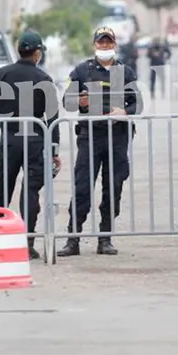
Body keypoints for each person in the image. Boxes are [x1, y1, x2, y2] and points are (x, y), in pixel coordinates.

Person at [57, 27, 140, 257]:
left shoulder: (125, 72)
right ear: (95, 45)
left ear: (114, 44)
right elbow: (67, 102)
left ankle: (105, 239)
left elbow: (137, 104)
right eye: (101, 43)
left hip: (117, 138)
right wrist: (79, 102)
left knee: (113, 188)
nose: (105, 46)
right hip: (90, 137)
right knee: (82, 188)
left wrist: (124, 111)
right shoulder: (82, 71)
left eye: (108, 42)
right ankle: (72, 240)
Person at [0, 31, 62, 260]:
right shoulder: (44, 79)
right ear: (37, 53)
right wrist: (54, 151)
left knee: (1, 191)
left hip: (9, 140)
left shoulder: (3, 73)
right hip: (35, 142)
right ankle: (26, 243)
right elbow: (52, 118)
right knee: (30, 191)